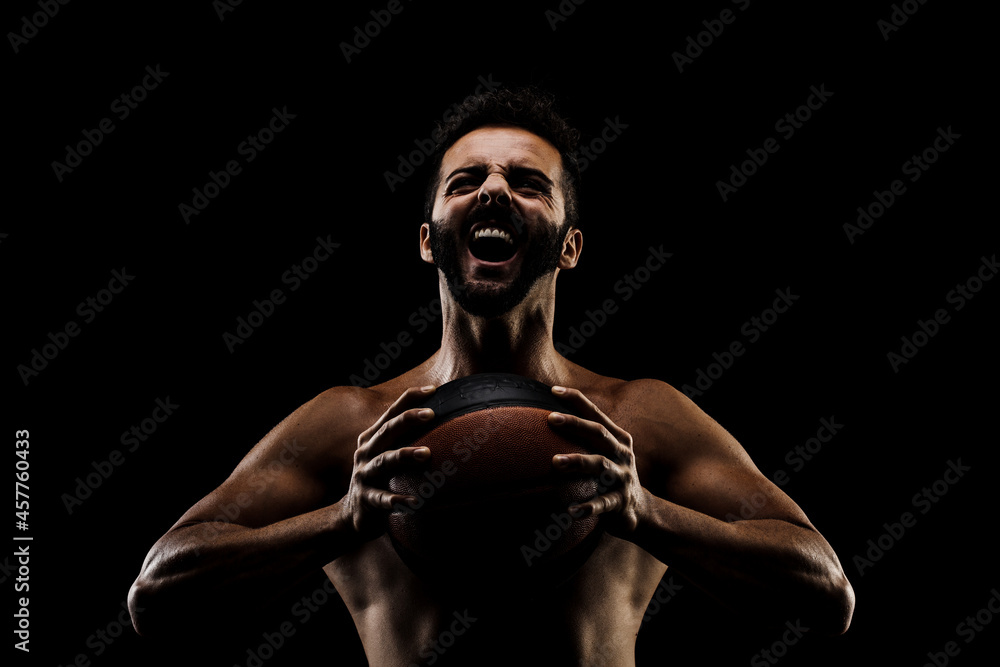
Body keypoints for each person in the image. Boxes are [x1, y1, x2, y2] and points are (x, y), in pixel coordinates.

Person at [128, 87, 855, 666]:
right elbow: (156, 595)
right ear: (427, 238)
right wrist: (341, 519)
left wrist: (646, 512)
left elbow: (827, 594)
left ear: (570, 246)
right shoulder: (358, 428)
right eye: (466, 180)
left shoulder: (635, 420)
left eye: (528, 182)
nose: (494, 191)